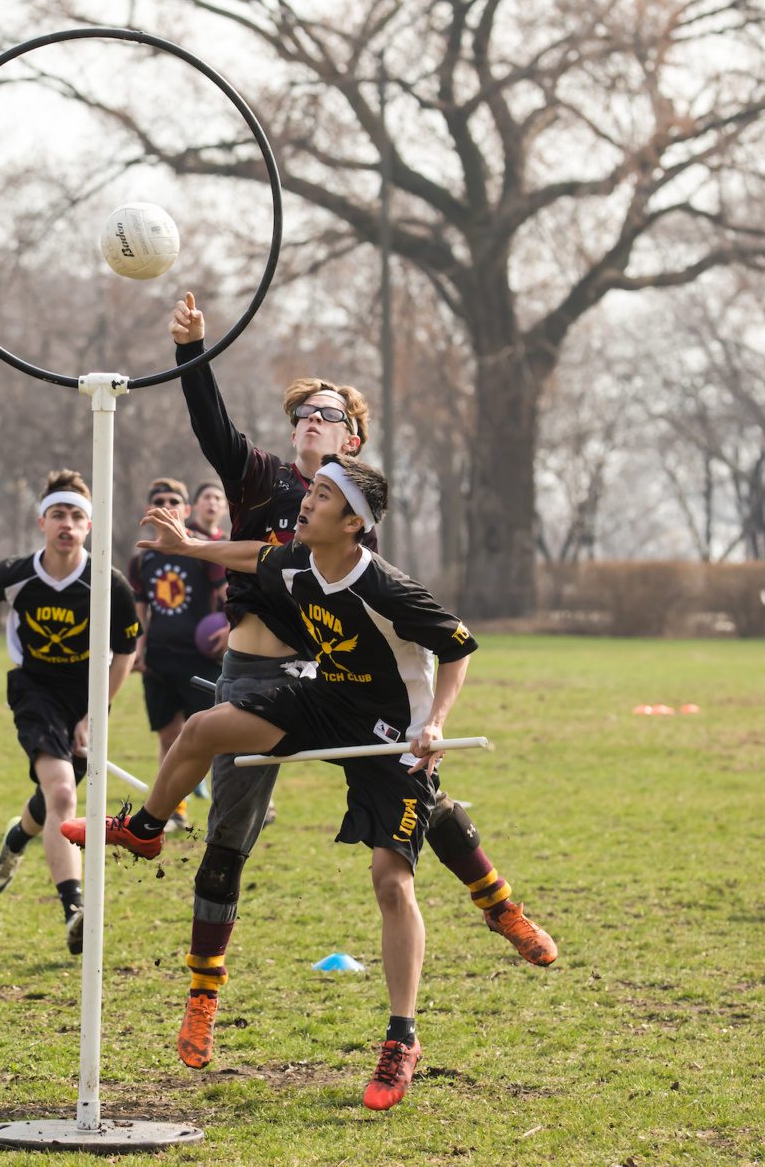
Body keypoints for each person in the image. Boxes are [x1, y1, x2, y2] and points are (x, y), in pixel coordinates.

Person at [156, 292, 555, 1076]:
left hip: (339, 680)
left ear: (354, 441)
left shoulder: (351, 510)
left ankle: (498, 905)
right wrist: (191, 351)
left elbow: (425, 629)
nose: (308, 419)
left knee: (419, 794)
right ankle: (204, 995)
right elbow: (212, 428)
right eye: (302, 411)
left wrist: (428, 716)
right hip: (256, 671)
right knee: (229, 836)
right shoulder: (261, 477)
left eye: (327, 413)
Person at [67, 455, 469, 1110]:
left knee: (390, 882)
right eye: (310, 491)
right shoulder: (298, 561)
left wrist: (437, 724)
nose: (305, 502)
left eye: (322, 496)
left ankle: (401, 1041)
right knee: (202, 730)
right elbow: (257, 554)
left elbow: (456, 649)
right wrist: (192, 545)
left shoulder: (389, 588)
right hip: (325, 702)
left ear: (353, 524)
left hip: (394, 739)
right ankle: (145, 830)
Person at [0, 470, 140, 955]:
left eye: (77, 516)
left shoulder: (108, 583)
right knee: (63, 793)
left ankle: (16, 839)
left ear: (90, 526)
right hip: (35, 690)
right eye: (58, 514)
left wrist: (97, 713)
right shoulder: (18, 573)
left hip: (88, 694)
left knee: (51, 800)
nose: (67, 524)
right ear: (42, 522)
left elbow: (126, 651)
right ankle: (75, 911)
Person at [126, 477, 225, 831]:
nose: (166, 506)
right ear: (148, 511)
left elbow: (229, 597)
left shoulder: (205, 553)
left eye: (173, 501)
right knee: (169, 739)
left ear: (186, 510)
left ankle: (226, 811)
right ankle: (175, 810)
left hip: (201, 661)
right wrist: (139, 649)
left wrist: (230, 630)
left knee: (213, 740)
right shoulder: (142, 560)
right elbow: (141, 611)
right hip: (160, 661)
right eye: (159, 500)